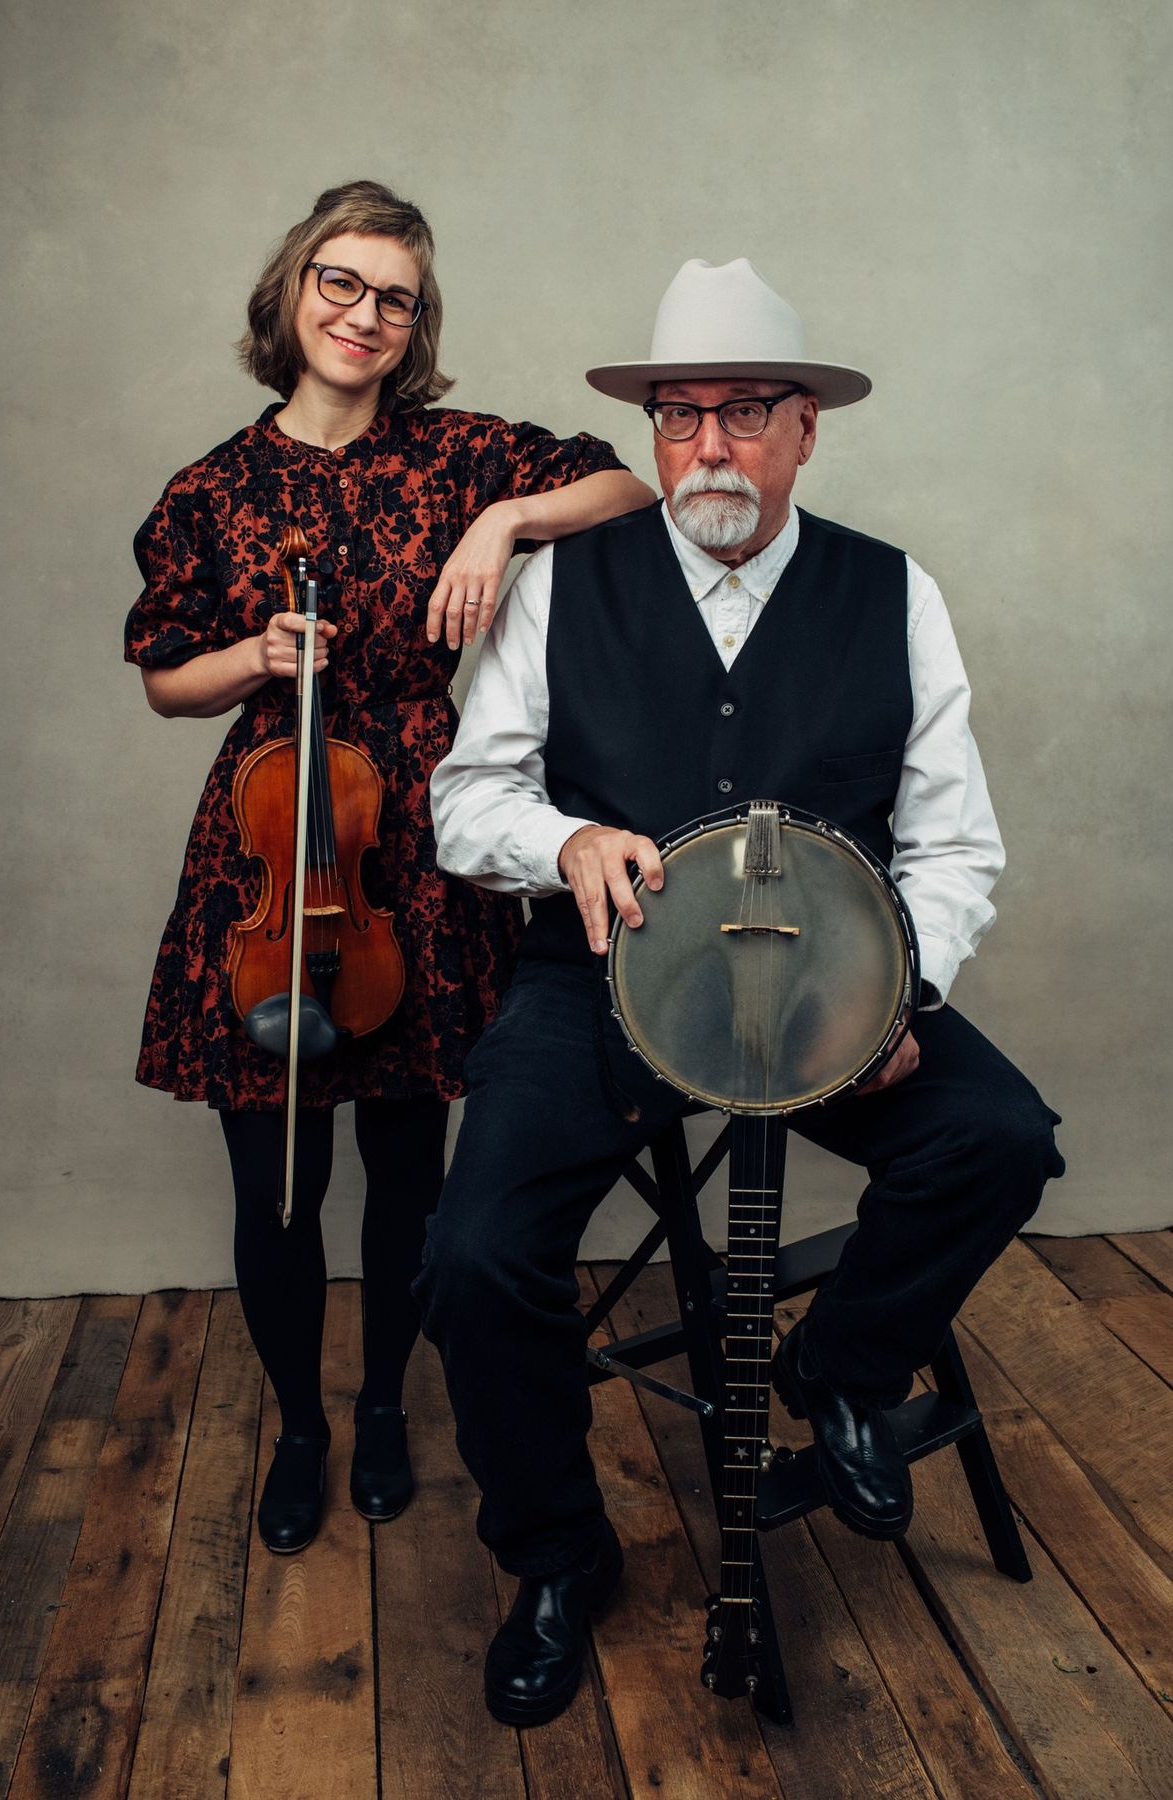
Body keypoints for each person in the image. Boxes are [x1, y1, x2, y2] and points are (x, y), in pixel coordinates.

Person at [421, 257, 1065, 1726]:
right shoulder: (567, 581)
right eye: (679, 415)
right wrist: (564, 837)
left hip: (827, 993)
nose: (708, 445)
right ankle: (556, 1556)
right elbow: (470, 804)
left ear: (805, 430)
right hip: (597, 985)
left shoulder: (893, 590)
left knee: (1000, 1139)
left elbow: (958, 843)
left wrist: (901, 995)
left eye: (745, 414)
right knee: (475, 1259)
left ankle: (836, 1372)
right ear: (651, 431)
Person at [124, 179, 652, 1557]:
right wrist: (253, 658)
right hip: (271, 838)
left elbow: (624, 483)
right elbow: (165, 675)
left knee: (412, 1169)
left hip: (416, 844)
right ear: (293, 294)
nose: (365, 315)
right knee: (272, 1182)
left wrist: (503, 524)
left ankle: (381, 1413)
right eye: (341, 286)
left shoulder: (461, 454)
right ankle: (299, 1423)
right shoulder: (212, 489)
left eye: (395, 299)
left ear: (416, 326)